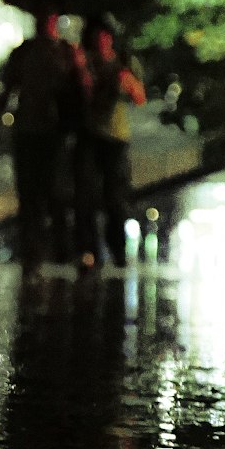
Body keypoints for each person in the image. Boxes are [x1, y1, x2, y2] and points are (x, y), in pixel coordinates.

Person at [0, 8, 87, 266]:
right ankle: (36, 250)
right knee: (32, 195)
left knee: (54, 193)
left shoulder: (66, 53)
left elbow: (80, 89)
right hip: (30, 129)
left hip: (54, 130)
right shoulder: (25, 53)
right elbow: (7, 89)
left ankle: (56, 250)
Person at [76, 18, 145, 268]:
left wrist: (124, 79)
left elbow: (140, 97)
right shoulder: (82, 62)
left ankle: (117, 250)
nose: (101, 40)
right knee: (86, 195)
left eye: (104, 35)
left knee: (115, 196)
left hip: (116, 137)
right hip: (88, 133)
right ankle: (89, 250)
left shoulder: (124, 62)